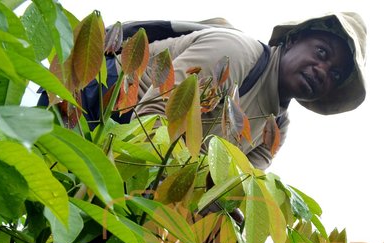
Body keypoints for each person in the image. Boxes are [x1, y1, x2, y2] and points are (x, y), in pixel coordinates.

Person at [119, 12, 367, 170]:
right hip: (102, 109)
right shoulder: (236, 55)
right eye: (321, 52)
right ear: (292, 40)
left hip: (154, 165)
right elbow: (151, 114)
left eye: (335, 74)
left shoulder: (277, 128)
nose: (323, 70)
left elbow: (236, 187)